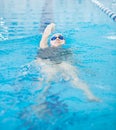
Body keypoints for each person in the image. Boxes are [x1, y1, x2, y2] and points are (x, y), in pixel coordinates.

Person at [36, 23, 99, 101]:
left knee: (75, 78)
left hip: (63, 64)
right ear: (50, 42)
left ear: (64, 42)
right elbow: (45, 35)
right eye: (54, 38)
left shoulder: (68, 51)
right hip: (48, 63)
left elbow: (74, 62)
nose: (57, 39)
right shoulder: (44, 46)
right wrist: (52, 25)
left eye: (60, 37)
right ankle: (40, 100)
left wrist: (86, 70)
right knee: (47, 79)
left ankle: (90, 96)